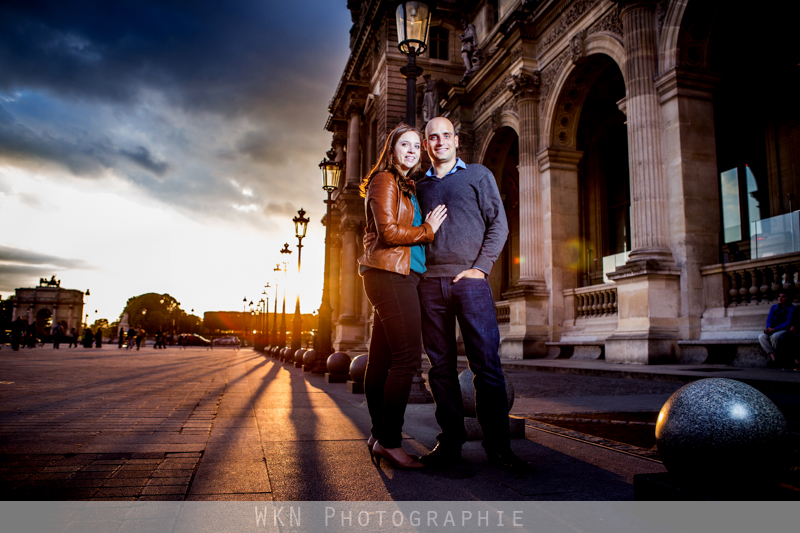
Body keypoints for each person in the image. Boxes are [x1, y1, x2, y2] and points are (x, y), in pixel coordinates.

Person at [364, 117, 531, 473]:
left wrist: (481, 268)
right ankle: (450, 443)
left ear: (456, 140)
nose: (439, 142)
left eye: (445, 136)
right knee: (440, 369)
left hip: (470, 283)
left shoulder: (479, 175)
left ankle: (499, 448)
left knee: (487, 368)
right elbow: (393, 227)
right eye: (432, 138)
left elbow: (498, 224)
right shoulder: (416, 186)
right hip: (426, 286)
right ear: (426, 144)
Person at [358, 123, 448, 470]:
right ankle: (390, 442)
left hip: (396, 274)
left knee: (381, 359)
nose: (411, 150)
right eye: (404, 144)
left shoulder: (405, 185)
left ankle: (378, 433)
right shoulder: (385, 179)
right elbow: (390, 231)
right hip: (391, 276)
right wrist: (428, 230)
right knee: (407, 357)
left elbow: (378, 231)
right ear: (391, 148)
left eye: (415, 145)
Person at [758, 291, 797, 367]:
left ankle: (777, 359)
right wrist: (768, 328)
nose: (781, 298)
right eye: (779, 296)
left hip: (784, 329)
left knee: (775, 337)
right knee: (762, 337)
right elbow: (769, 319)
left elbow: (788, 322)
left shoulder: (792, 308)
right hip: (773, 329)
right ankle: (774, 358)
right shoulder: (773, 307)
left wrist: (775, 329)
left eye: (783, 297)